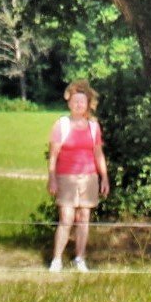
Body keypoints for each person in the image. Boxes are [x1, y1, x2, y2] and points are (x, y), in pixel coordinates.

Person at [47, 79, 109, 272]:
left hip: (89, 177)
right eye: (75, 101)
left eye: (82, 102)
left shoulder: (93, 127)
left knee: (84, 218)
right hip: (66, 177)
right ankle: (57, 259)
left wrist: (104, 177)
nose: (78, 105)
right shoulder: (61, 125)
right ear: (69, 103)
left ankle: (79, 258)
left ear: (88, 104)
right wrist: (52, 177)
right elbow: (54, 154)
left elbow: (98, 153)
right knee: (66, 217)